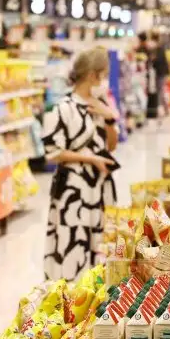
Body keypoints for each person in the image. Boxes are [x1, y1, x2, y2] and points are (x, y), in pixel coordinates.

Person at [42, 47, 119, 281]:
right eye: (103, 75)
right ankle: (70, 294)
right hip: (73, 191)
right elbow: (53, 152)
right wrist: (90, 159)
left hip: (100, 188)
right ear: (92, 75)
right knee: (72, 243)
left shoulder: (101, 105)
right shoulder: (63, 108)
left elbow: (111, 146)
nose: (104, 81)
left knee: (100, 244)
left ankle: (95, 293)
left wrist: (109, 118)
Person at [149, 33, 170, 117]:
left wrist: (153, 59)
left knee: (160, 91)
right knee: (160, 91)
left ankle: (163, 109)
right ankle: (164, 109)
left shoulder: (160, 49)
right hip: (159, 73)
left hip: (161, 73)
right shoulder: (157, 49)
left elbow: (158, 60)